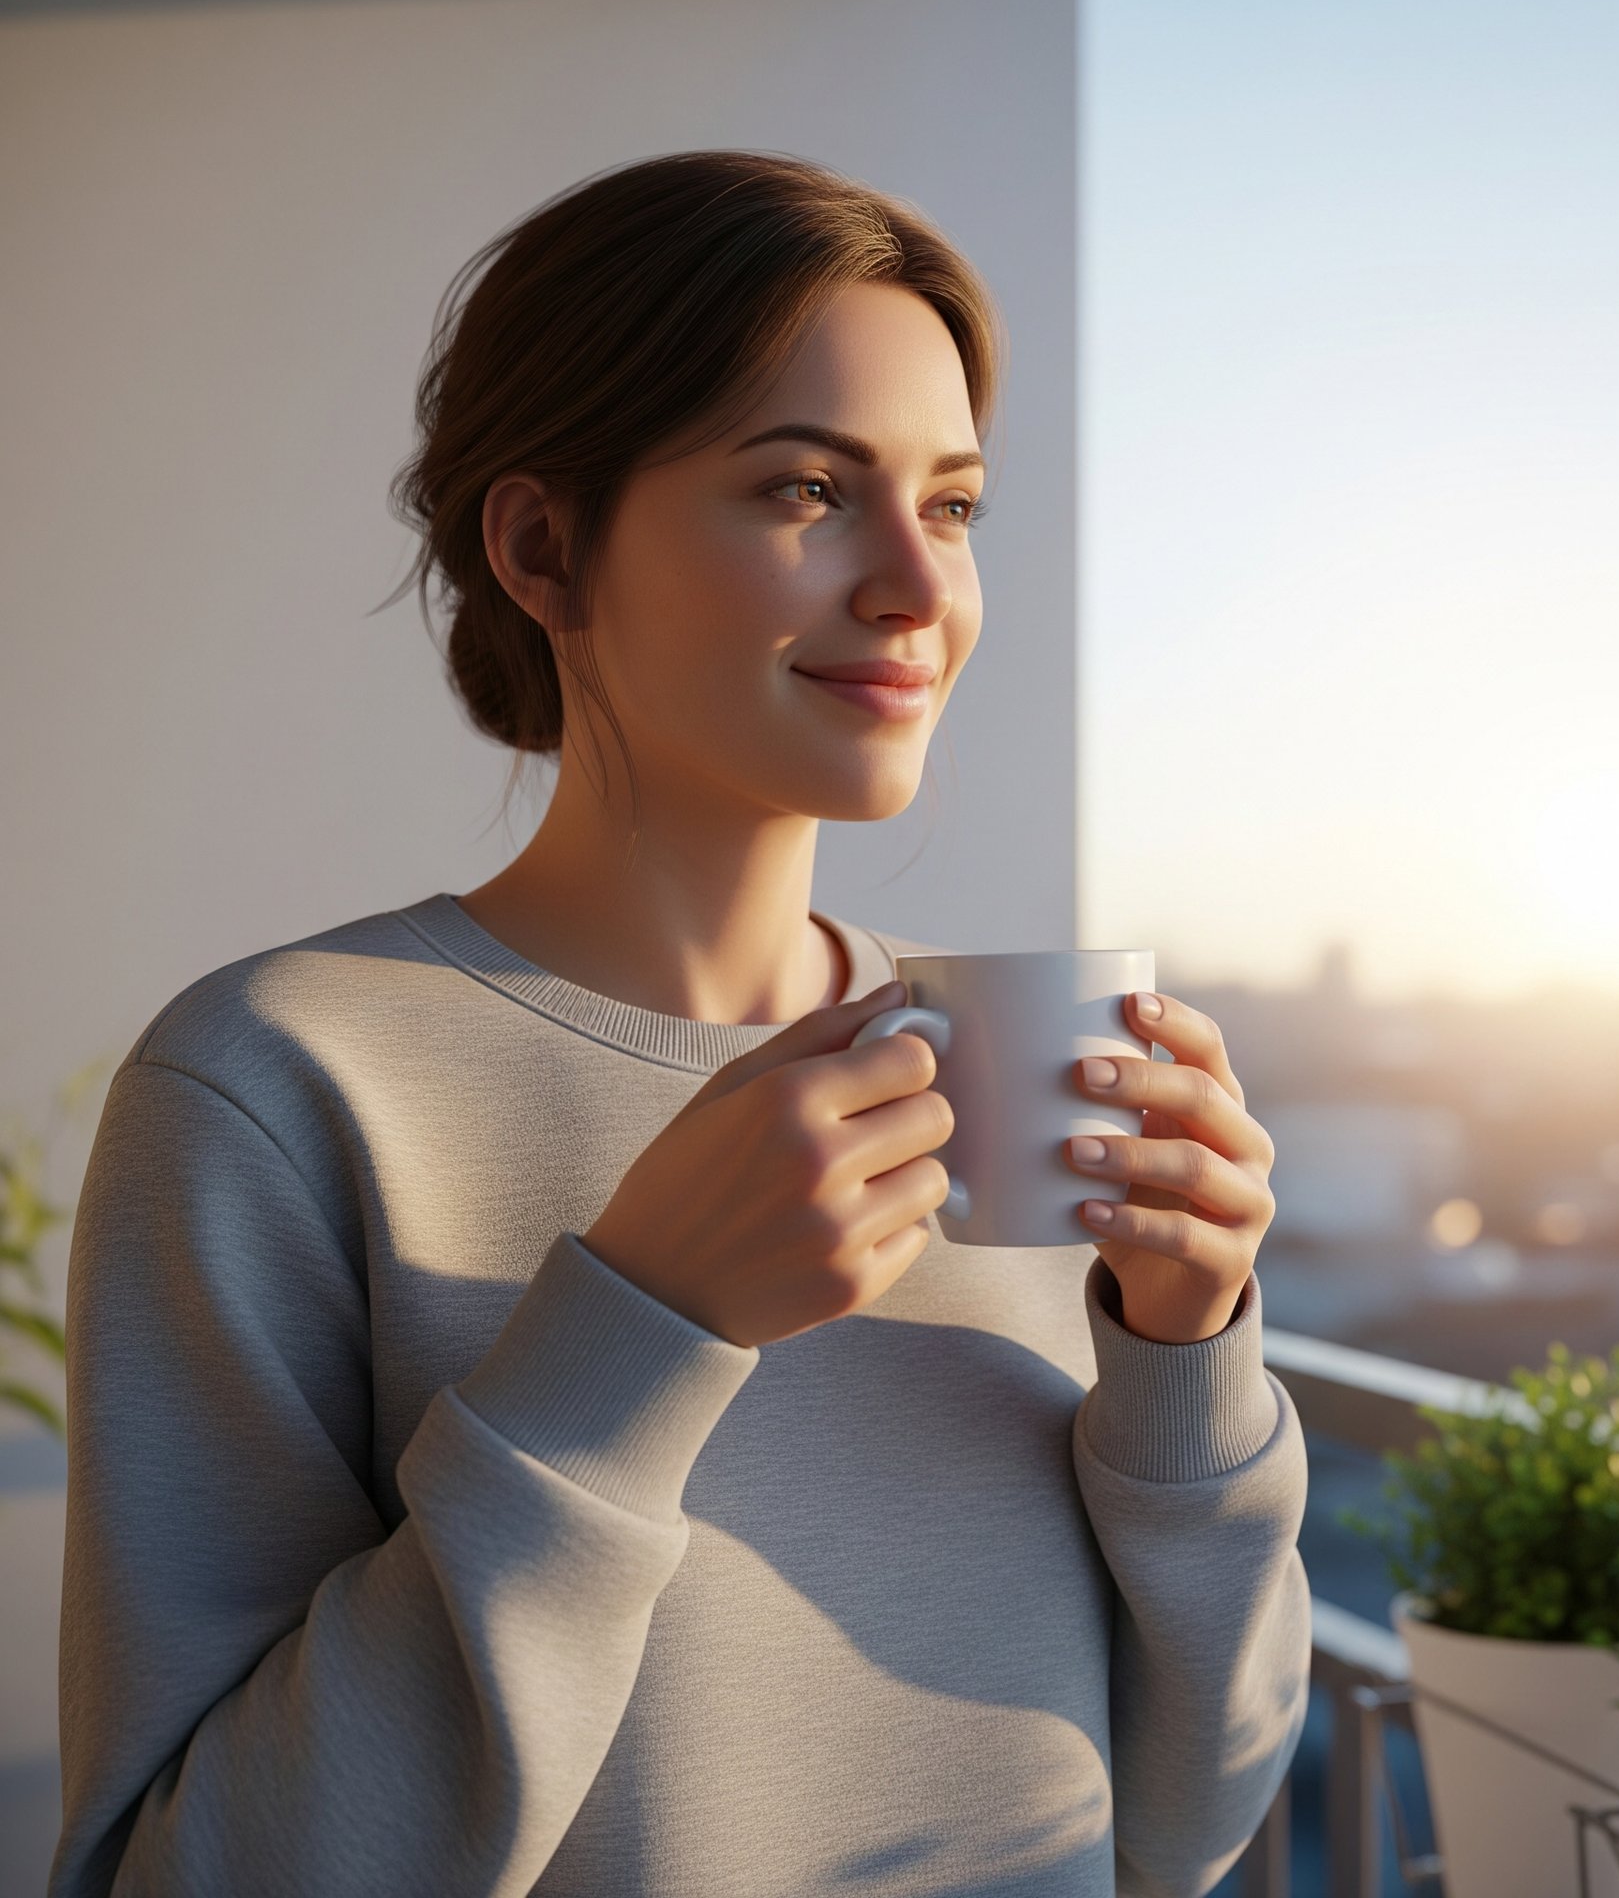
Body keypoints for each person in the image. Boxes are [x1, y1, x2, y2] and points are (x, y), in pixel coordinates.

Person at [50, 149, 1310, 1898]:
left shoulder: (1009, 1075)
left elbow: (1182, 1827)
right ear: (544, 547)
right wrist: (636, 1337)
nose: (916, 589)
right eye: (807, 487)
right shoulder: (275, 1089)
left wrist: (1191, 1362)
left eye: (951, 506)